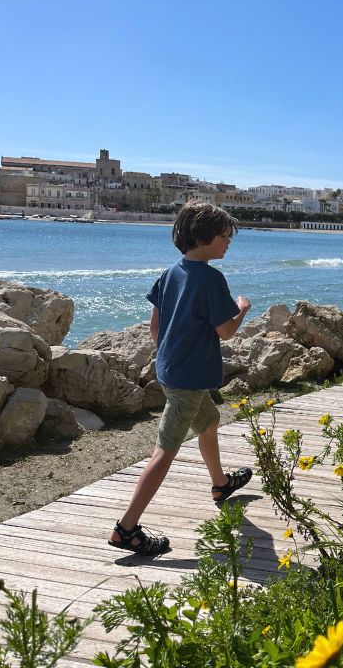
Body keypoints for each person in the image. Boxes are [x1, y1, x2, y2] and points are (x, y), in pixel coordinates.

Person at [108, 201, 253, 555]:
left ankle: (220, 484)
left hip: (170, 370)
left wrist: (171, 355)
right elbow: (226, 331)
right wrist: (243, 309)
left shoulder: (172, 272)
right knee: (165, 451)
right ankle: (126, 529)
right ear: (203, 238)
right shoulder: (212, 279)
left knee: (210, 419)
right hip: (188, 379)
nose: (228, 243)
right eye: (223, 236)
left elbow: (155, 324)